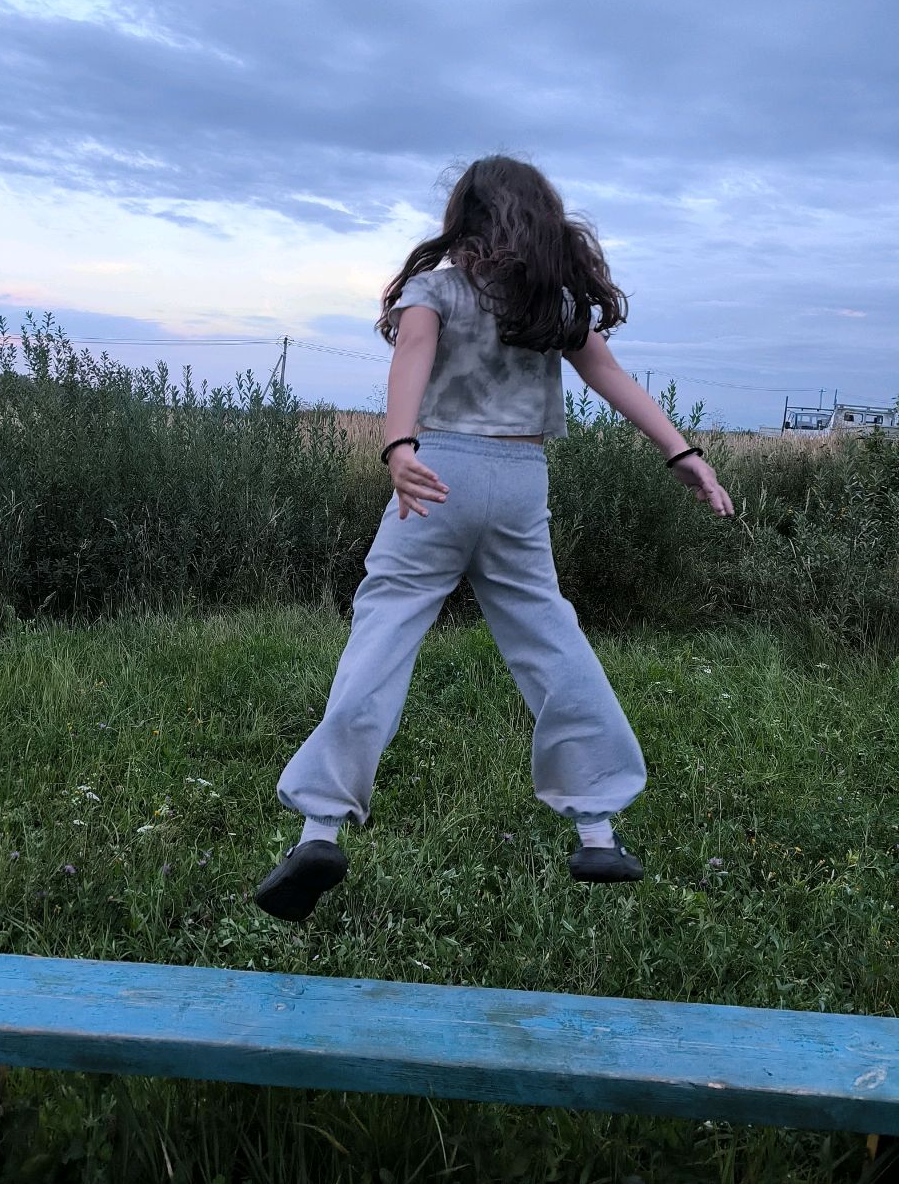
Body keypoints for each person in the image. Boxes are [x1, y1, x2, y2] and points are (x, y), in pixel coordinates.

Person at [256, 155, 734, 922]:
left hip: (436, 473)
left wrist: (399, 445)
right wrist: (684, 454)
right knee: (548, 632)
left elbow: (413, 353)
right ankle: (596, 826)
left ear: (463, 216)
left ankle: (320, 825)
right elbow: (611, 376)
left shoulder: (436, 287)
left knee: (384, 631)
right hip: (519, 478)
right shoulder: (552, 302)